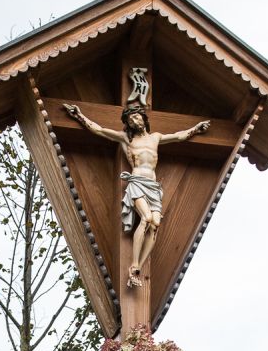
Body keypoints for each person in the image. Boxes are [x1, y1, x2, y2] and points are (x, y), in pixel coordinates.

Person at [63, 101, 210, 287]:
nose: (135, 120)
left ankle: (138, 267)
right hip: (137, 182)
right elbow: (99, 130)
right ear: (129, 124)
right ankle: (133, 263)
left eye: (136, 116)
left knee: (155, 225)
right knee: (146, 219)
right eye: (131, 119)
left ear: (143, 118)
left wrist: (196, 129)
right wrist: (79, 115)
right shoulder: (127, 139)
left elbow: (179, 137)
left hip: (153, 186)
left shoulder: (156, 137)